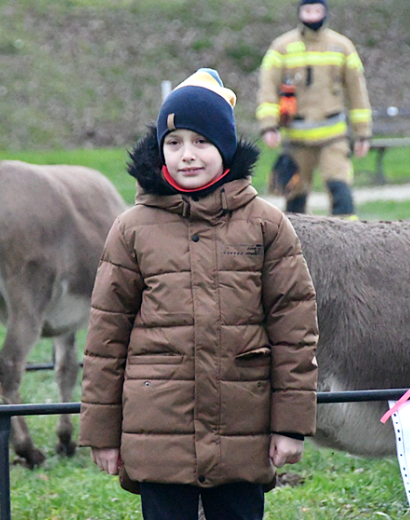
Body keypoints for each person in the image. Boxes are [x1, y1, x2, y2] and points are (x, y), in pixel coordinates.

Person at [79, 68, 319, 520]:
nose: (187, 155)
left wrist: (290, 425)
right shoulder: (132, 230)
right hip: (158, 434)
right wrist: (103, 432)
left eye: (201, 141)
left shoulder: (267, 225)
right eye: (174, 143)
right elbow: (105, 338)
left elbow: (295, 330)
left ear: (224, 145)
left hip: (241, 431)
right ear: (159, 151)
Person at [256, 0, 372, 218]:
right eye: (307, 10)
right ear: (299, 13)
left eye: (317, 10)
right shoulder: (281, 47)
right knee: (295, 197)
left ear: (326, 12)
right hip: (297, 138)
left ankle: (349, 242)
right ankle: (295, 244)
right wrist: (269, 127)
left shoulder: (342, 47)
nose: (312, 16)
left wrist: (362, 132)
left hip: (333, 137)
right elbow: (268, 90)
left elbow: (357, 92)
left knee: (340, 189)